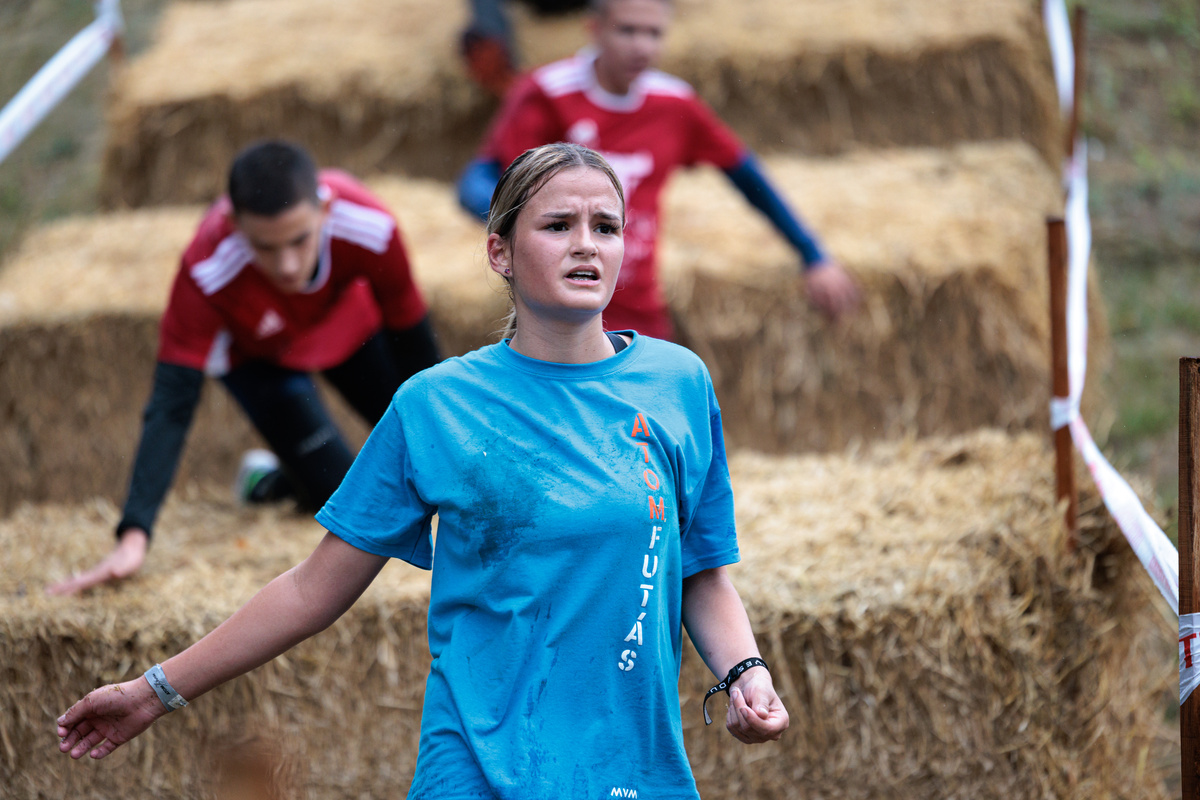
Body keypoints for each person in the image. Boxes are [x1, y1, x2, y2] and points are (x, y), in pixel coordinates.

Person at [55, 143, 789, 799]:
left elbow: (700, 571)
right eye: (557, 225)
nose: (586, 245)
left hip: (630, 765)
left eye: (606, 226)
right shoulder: (434, 405)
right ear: (500, 252)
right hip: (476, 768)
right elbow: (313, 588)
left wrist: (745, 673)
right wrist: (156, 690)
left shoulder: (677, 383)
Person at [46, 140, 441, 597]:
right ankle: (267, 480)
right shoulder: (205, 268)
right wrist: (133, 535)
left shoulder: (370, 226)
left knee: (423, 452)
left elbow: (415, 345)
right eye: (265, 247)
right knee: (339, 494)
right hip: (260, 356)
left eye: (299, 240)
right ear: (235, 226)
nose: (287, 266)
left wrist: (451, 446)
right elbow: (172, 403)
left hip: (345, 329)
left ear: (325, 210)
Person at [457, 0, 859, 341]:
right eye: (627, 30)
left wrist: (813, 256)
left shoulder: (674, 104)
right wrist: (522, 224)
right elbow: (477, 181)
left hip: (638, 308)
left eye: (654, 33)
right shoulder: (547, 91)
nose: (641, 46)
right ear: (595, 28)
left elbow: (748, 178)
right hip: (558, 313)